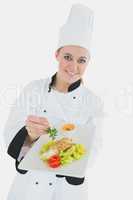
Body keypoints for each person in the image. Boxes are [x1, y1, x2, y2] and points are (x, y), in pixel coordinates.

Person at [3, 3, 104, 200]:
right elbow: (9, 131)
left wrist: (67, 151)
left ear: (88, 62)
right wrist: (29, 136)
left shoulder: (93, 102)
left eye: (81, 60)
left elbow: (94, 150)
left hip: (67, 191)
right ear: (56, 54)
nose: (73, 67)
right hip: (28, 189)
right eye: (67, 57)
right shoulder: (33, 89)